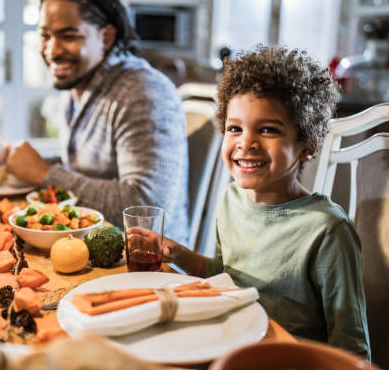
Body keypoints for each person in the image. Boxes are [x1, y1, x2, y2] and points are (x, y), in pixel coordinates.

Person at [128, 46, 371, 359]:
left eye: (268, 129)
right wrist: (179, 254)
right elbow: (225, 276)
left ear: (307, 147)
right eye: (234, 128)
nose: (245, 143)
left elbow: (352, 346)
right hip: (228, 345)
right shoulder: (230, 198)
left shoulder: (327, 230)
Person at [3, 0, 189, 242]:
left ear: (106, 37)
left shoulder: (143, 92)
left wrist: (43, 173)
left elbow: (146, 205)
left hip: (148, 263)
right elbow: (86, 168)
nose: (52, 50)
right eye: (45, 36)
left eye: (68, 36)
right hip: (91, 244)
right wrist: (23, 162)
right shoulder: (80, 84)